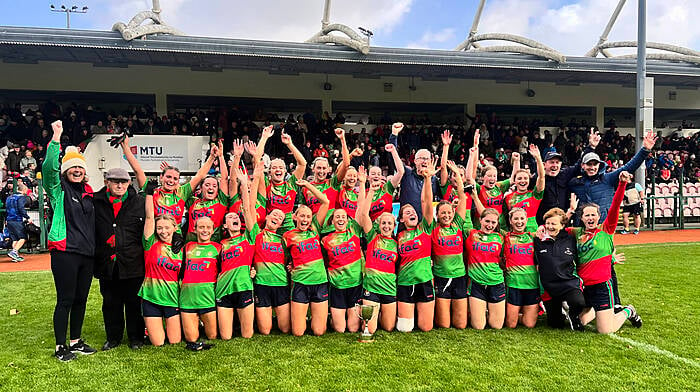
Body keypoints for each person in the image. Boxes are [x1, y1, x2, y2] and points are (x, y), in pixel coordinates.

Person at [43, 120, 97, 361]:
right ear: (65, 171)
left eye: (81, 168)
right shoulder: (59, 189)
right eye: (73, 168)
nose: (77, 171)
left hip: (86, 254)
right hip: (65, 252)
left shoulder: (88, 194)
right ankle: (60, 347)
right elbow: (48, 169)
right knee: (65, 299)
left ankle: (75, 341)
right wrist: (56, 138)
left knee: (80, 300)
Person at [569, 172, 643, 333]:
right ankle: (598, 311)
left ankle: (629, 310)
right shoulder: (576, 232)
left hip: (602, 285)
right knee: (577, 324)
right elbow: (557, 228)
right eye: (586, 215)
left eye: (593, 215)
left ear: (599, 216)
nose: (590, 217)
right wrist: (570, 210)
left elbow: (616, 205)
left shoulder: (606, 229)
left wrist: (622, 184)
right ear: (581, 218)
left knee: (605, 330)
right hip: (584, 287)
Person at [93, 167, 146, 351]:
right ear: (107, 182)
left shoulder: (140, 202)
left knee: (134, 303)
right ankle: (113, 337)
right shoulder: (96, 202)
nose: (120, 185)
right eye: (115, 181)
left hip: (133, 262)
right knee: (110, 303)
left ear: (129, 183)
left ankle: (136, 338)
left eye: (123, 182)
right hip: (107, 263)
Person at [283, 180, 331, 337]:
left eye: (308, 216)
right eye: (302, 216)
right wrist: (289, 265)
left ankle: (321, 318)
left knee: (319, 331)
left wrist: (307, 185)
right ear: (294, 217)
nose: (305, 219)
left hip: (319, 282)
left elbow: (325, 201)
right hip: (300, 283)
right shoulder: (287, 236)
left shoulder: (315, 229)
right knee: (297, 332)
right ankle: (309, 317)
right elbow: (283, 257)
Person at [395, 157, 437, 333]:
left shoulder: (425, 229)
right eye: (407, 212)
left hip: (424, 281)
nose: (411, 212)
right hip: (405, 282)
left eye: (413, 211)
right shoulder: (397, 237)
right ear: (402, 219)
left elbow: (426, 203)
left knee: (426, 327)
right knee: (405, 328)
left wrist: (428, 179)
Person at [216, 165, 258, 340]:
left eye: (236, 217)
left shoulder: (249, 238)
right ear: (224, 226)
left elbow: (247, 209)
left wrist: (243, 184)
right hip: (223, 290)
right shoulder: (220, 244)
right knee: (225, 337)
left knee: (247, 335)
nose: (234, 218)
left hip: (244, 288)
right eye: (230, 217)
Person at [356, 166, 398, 333]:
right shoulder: (373, 237)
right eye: (383, 223)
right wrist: (371, 191)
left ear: (394, 226)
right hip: (371, 288)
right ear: (378, 225)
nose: (386, 226)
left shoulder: (398, 243)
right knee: (370, 330)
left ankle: (379, 311)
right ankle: (367, 310)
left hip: (389, 288)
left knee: (389, 327)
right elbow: (364, 215)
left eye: (389, 223)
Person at [430, 161, 471, 329]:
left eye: (449, 212)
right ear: (437, 215)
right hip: (441, 276)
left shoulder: (458, 224)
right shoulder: (433, 228)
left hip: (459, 275)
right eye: (443, 213)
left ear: (453, 213)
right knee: (444, 325)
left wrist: (456, 173)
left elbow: (462, 196)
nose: (446, 215)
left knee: (461, 325)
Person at [140, 187, 182, 346]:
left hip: (172, 297)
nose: (163, 231)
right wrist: (149, 195)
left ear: (175, 227)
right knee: (158, 343)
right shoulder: (151, 243)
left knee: (175, 341)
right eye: (160, 228)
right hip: (151, 296)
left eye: (167, 227)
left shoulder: (181, 249)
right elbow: (150, 217)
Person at [533, 208, 586, 331]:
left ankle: (573, 315)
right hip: (549, 287)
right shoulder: (538, 239)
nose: (549, 226)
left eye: (553, 224)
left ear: (562, 225)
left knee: (579, 303)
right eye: (547, 223)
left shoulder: (571, 239)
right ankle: (560, 309)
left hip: (568, 283)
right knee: (555, 324)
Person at [535, 129, 599, 225]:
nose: (555, 165)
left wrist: (591, 147)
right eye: (551, 162)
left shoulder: (564, 174)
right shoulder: (536, 179)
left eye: (557, 162)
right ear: (544, 164)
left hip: (563, 223)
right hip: (543, 225)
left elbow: (579, 165)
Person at [321, 204, 364, 334]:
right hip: (337, 285)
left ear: (347, 220)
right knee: (339, 329)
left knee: (353, 329)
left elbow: (362, 209)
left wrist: (362, 184)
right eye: (337, 217)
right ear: (332, 221)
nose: (340, 219)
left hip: (355, 284)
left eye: (343, 217)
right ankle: (332, 318)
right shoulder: (325, 240)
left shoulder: (355, 232)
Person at [180, 216, 220, 351]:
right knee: (191, 339)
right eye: (201, 227)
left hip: (208, 299)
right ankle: (194, 323)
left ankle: (201, 322)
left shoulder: (218, 248)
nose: (205, 230)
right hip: (188, 299)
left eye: (208, 227)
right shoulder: (186, 248)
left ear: (213, 231)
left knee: (212, 336)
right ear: (195, 229)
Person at [389, 122, 439, 220]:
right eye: (421, 158)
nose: (424, 161)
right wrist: (394, 135)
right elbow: (393, 157)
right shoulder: (406, 173)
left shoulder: (433, 180)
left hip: (425, 227)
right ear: (415, 161)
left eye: (427, 159)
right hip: (406, 225)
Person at [184, 140, 229, 242]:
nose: (210, 188)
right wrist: (211, 157)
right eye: (207, 185)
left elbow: (224, 179)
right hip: (190, 249)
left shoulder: (221, 202)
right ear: (201, 188)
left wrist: (221, 156)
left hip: (213, 249)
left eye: (214, 186)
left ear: (218, 190)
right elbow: (197, 178)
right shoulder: (192, 202)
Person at [503, 208, 540, 329]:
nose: (519, 221)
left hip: (532, 284)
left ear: (526, 220)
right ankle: (498, 313)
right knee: (511, 325)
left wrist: (570, 211)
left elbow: (556, 228)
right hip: (514, 283)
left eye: (522, 218)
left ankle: (518, 313)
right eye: (516, 218)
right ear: (510, 221)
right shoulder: (505, 237)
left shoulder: (534, 237)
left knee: (529, 325)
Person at [504, 144, 545, 232]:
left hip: (532, 233)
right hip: (514, 234)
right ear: (514, 181)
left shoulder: (534, 195)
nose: (522, 181)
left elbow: (541, 177)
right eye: (519, 178)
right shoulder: (508, 197)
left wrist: (538, 158)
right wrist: (516, 161)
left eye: (525, 178)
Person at [367, 143, 404, 221]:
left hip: (388, 230)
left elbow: (400, 172)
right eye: (373, 174)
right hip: (371, 232)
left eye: (379, 174)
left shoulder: (387, 188)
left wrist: (393, 151)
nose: (376, 176)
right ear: (368, 177)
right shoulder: (364, 194)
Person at [4, 182, 31, 262]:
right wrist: (27, 217)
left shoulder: (9, 197)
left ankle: (15, 255)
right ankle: (14, 252)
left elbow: (7, 209)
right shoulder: (21, 197)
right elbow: (21, 208)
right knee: (23, 238)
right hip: (17, 220)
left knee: (15, 238)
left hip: (9, 220)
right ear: (24, 189)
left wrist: (6, 219)